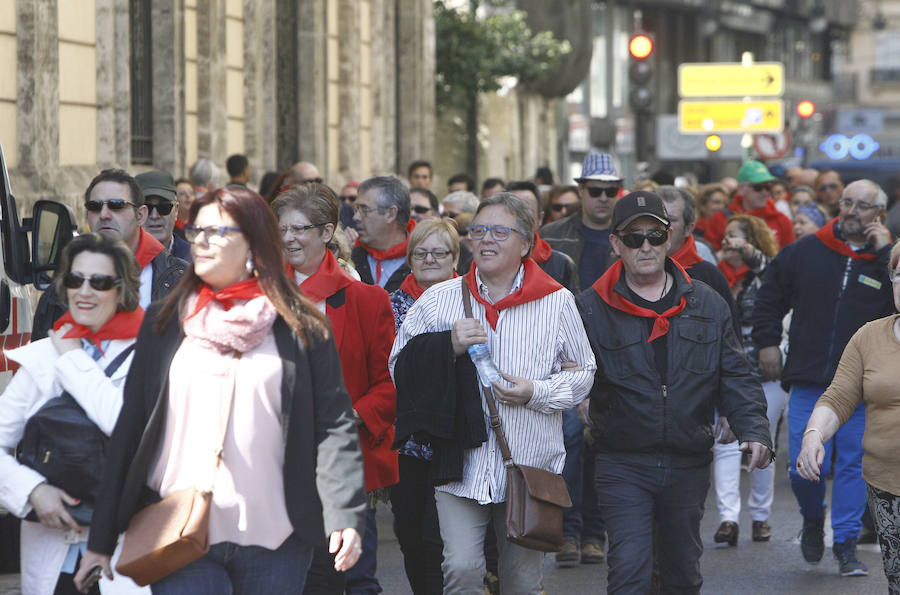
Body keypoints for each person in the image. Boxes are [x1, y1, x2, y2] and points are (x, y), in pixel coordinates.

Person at [74, 187, 366, 593]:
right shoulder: (166, 320)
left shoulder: (302, 325)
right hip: (178, 529)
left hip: (277, 537)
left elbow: (333, 425)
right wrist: (100, 540)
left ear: (254, 241)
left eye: (218, 231)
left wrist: (344, 515)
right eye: (197, 231)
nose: (203, 241)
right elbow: (131, 429)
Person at [389, 192, 596, 594]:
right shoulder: (440, 300)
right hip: (459, 463)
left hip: (529, 463)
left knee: (521, 580)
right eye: (479, 231)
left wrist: (535, 391)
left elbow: (584, 373)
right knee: (462, 569)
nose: (486, 240)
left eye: (500, 231)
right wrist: (446, 345)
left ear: (525, 242)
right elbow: (399, 368)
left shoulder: (556, 302)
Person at [576, 191, 772, 593]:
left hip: (687, 459)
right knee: (629, 571)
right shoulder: (589, 308)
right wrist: (577, 394)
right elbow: (565, 372)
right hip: (622, 460)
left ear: (670, 240)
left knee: (681, 575)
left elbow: (736, 373)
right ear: (615, 244)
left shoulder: (709, 304)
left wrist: (754, 430)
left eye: (655, 235)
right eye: (633, 238)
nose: (645, 246)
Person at [753, 179, 895, 576]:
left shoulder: (889, 258)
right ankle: (813, 517)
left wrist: (884, 251)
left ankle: (846, 543)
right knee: (803, 464)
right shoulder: (807, 249)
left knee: (852, 465)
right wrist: (766, 342)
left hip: (863, 385)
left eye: (863, 206)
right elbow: (769, 296)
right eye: (847, 202)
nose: (851, 211)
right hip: (810, 378)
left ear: (878, 215)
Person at [0, 233, 147, 595]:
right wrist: (31, 489)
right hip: (54, 555)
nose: (84, 291)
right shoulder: (40, 356)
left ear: (123, 289)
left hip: (129, 556)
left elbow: (126, 428)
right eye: (74, 279)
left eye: (99, 282)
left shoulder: (154, 353)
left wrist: (71, 360)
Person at [272, 183, 398, 595]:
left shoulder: (366, 300)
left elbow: (387, 384)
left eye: (300, 229)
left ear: (327, 233)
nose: (288, 237)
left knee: (325, 579)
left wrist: (350, 415)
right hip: (270, 462)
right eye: (282, 228)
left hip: (336, 463)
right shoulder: (260, 296)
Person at [796, 241, 900, 587]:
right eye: (899, 275)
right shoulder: (869, 337)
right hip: (888, 487)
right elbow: (838, 397)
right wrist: (813, 435)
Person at [389, 218, 461, 595]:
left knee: (442, 541)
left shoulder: (472, 301)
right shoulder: (392, 305)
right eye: (421, 252)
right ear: (410, 258)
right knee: (411, 535)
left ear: (455, 259)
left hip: (457, 440)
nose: (429, 259)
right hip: (408, 442)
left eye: (439, 252)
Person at [32, 169, 188, 341]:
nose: (104, 215)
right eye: (95, 207)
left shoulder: (180, 280)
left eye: (116, 205)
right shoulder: (61, 288)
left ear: (140, 215)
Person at [711, 214, 786, 546]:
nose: (728, 243)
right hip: (724, 372)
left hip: (765, 372)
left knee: (761, 443)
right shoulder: (716, 275)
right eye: (726, 236)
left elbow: (767, 268)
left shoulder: (767, 275)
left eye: (736, 237)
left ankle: (760, 517)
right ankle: (728, 518)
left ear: (753, 241)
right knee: (724, 443)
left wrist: (748, 250)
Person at [540, 150, 622, 292]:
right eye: (595, 191)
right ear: (581, 190)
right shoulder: (550, 235)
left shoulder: (630, 237)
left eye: (610, 192)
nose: (603, 198)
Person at [506, 180, 579, 292]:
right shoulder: (484, 261)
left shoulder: (561, 265)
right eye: (511, 211)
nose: (518, 218)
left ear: (540, 219)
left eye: (526, 211)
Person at [704, 161, 794, 251]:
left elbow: (789, 259)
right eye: (758, 187)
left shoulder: (782, 221)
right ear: (741, 189)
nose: (765, 192)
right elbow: (712, 258)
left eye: (768, 187)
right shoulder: (719, 219)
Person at [351, 176, 414, 293]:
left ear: (390, 213)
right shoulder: (350, 260)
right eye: (356, 209)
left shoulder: (424, 261)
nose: (356, 217)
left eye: (364, 210)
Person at [135, 171, 191, 261]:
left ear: (176, 210)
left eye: (164, 207)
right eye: (147, 208)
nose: (154, 216)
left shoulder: (193, 261)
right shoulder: (119, 262)